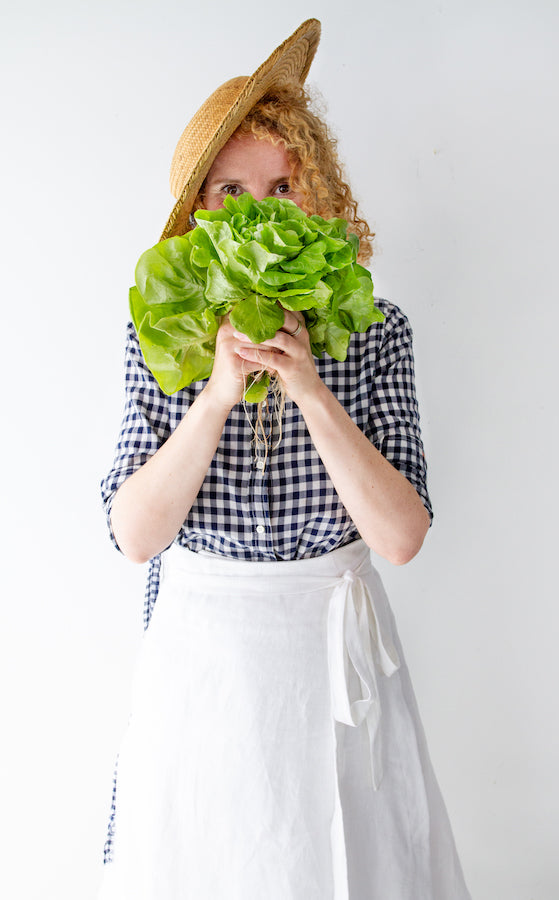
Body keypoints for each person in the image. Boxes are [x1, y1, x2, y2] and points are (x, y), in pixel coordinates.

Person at [99, 18, 471, 900]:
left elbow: (402, 535)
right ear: (197, 214)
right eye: (229, 190)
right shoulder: (162, 336)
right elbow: (135, 535)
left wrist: (309, 387)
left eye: (282, 184)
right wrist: (219, 392)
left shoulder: (376, 333)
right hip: (206, 660)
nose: (258, 209)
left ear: (318, 197)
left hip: (332, 657)